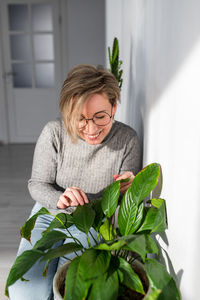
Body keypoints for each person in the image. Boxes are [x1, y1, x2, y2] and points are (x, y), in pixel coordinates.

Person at [9, 64, 141, 300]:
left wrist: (128, 190)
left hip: (92, 221)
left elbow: (123, 201)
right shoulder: (54, 133)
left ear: (114, 107)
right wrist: (60, 197)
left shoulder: (127, 140)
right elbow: (37, 184)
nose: (91, 129)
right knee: (26, 291)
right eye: (80, 118)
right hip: (49, 213)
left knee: (70, 289)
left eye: (100, 116)